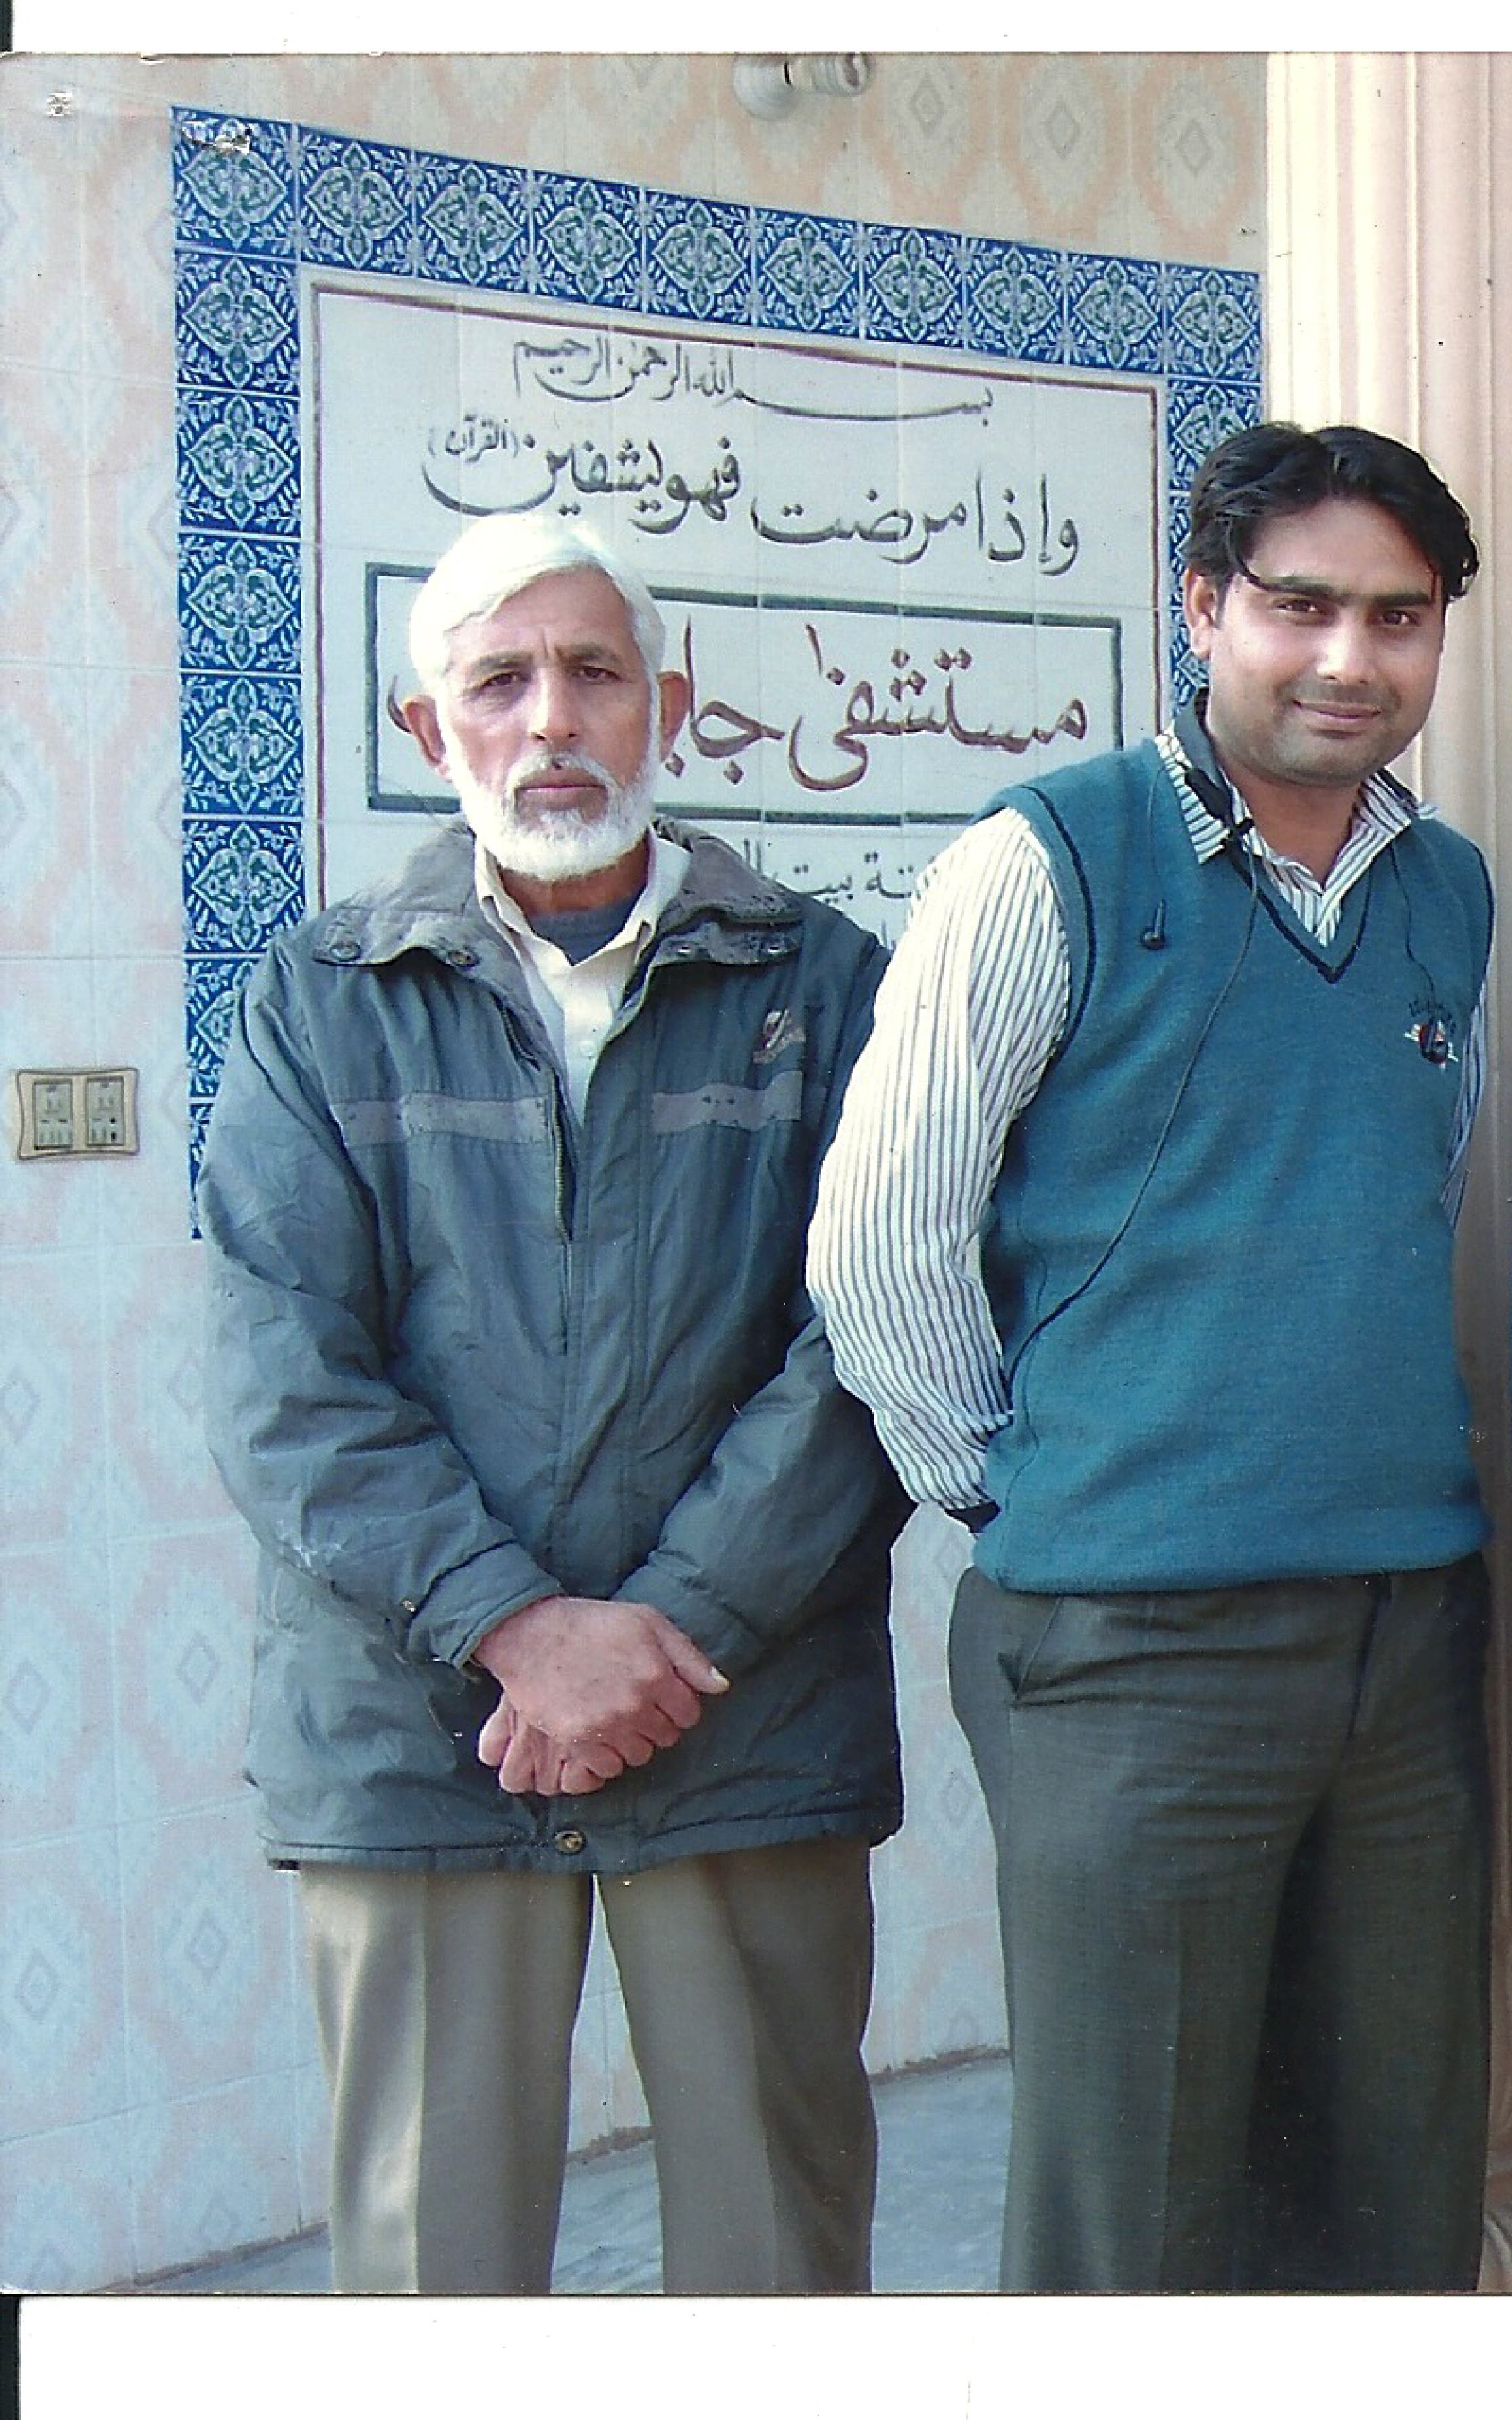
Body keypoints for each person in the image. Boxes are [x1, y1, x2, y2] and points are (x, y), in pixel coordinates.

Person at [806, 421, 1496, 2292]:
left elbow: (1419, 1196)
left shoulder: (1447, 890)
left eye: (1398, 617)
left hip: (1403, 1632)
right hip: (1132, 1646)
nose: (1348, 655)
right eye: (1300, 605)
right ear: (1201, 607)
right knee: (1136, 2218)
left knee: (1388, 2200)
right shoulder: (1047, 861)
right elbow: (882, 1240)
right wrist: (1023, 1491)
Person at [201, 513, 908, 2293]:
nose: (551, 720)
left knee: (776, 2268)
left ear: (669, 703)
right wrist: (515, 1627)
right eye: (498, 682)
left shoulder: (819, 983)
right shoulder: (322, 1002)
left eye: (594, 672)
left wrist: (672, 1630)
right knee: (431, 2284)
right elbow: (284, 1378)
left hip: (739, 1710)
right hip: (425, 1725)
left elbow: (874, 1332)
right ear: (428, 730)